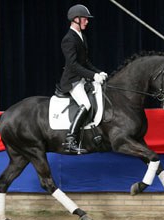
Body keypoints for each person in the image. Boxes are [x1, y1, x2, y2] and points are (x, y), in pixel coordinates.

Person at [60, 4, 107, 154]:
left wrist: (99, 72)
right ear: (76, 19)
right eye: (85, 19)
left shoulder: (82, 37)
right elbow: (73, 65)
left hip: (82, 79)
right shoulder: (68, 39)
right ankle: (70, 139)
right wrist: (93, 76)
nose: (87, 21)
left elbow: (85, 62)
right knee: (86, 104)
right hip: (72, 80)